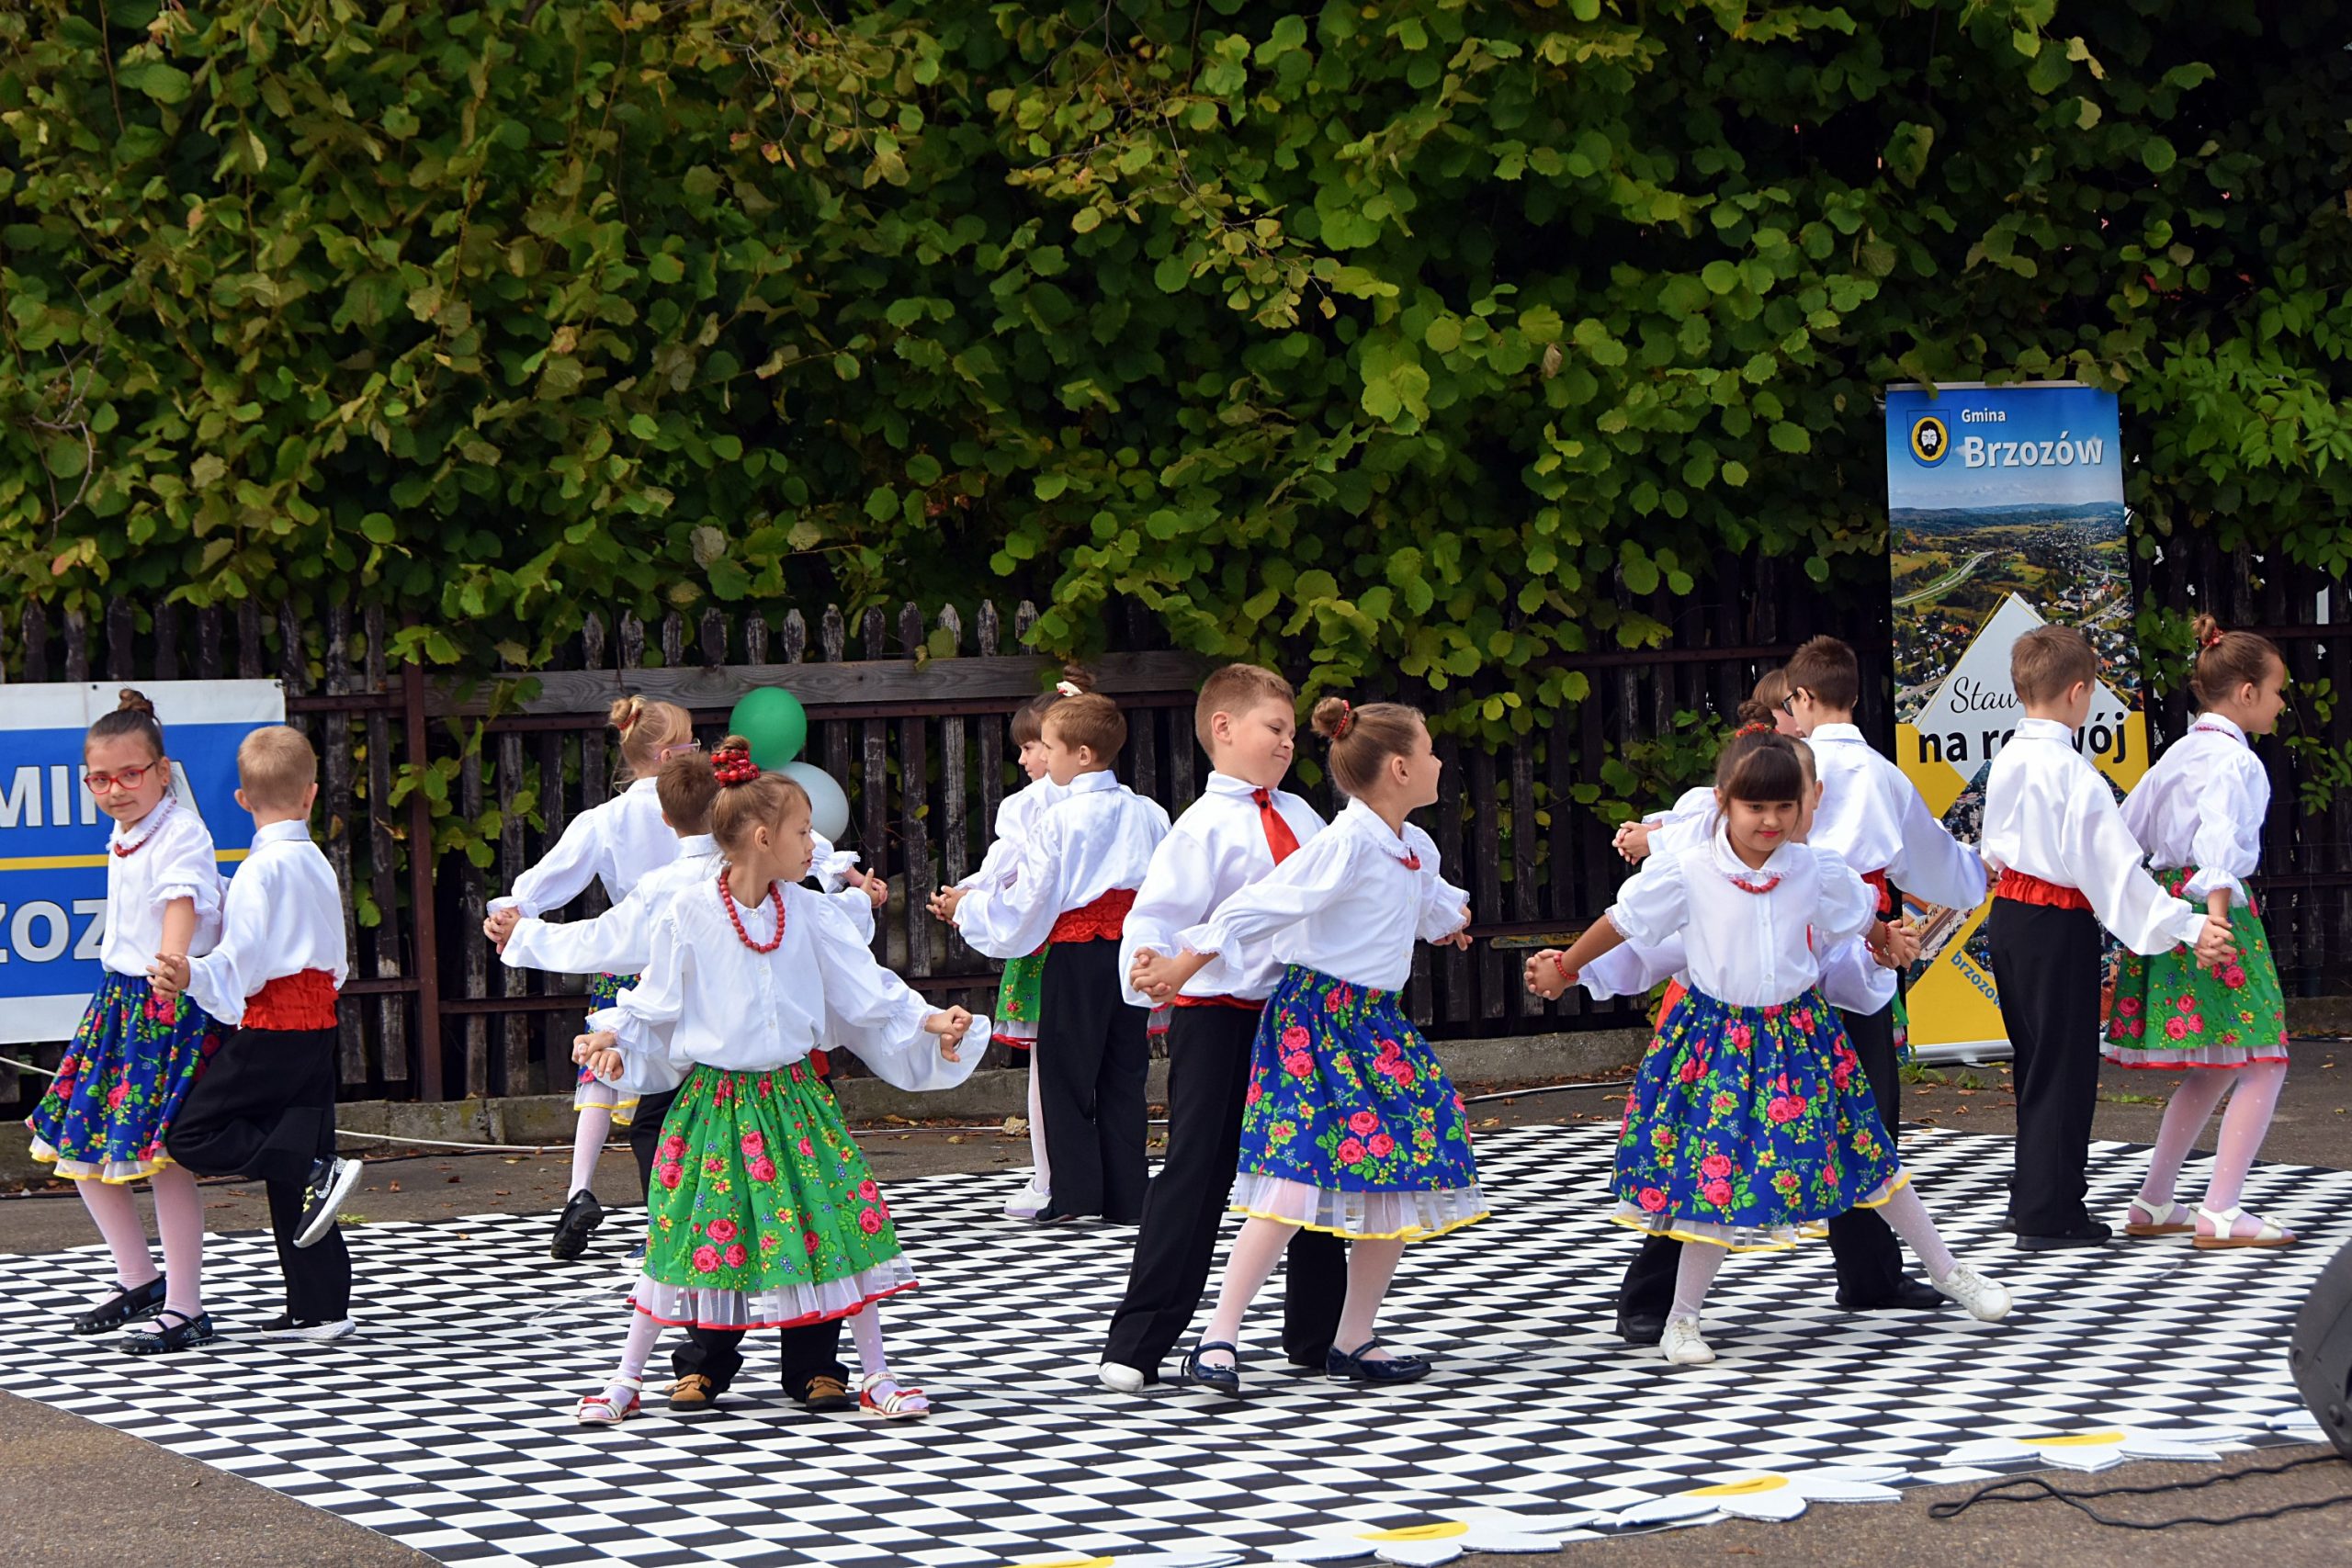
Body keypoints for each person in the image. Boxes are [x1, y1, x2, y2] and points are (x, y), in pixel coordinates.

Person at [1530, 732, 2009, 1365]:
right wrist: (1566, 967)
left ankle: (1948, 1269)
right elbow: (1623, 922)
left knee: (1867, 1151)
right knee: (1714, 1176)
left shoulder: (1811, 868)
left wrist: (1884, 938)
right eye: (1756, 807)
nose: (1771, 821)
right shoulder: (1689, 869)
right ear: (1723, 801)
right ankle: (1681, 1319)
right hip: (1719, 1044)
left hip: (1800, 1038)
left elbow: (1855, 913)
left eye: (1785, 806)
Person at [572, 740, 983, 1421]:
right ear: (763, 838)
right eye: (802, 832)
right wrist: (612, 1035)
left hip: (793, 1099)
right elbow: (657, 999)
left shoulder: (811, 913)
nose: (812, 846)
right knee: (694, 1231)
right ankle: (630, 1376)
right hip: (717, 1103)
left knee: (833, 1222)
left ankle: (872, 1373)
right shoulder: (690, 912)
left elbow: (866, 987)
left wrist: (931, 1019)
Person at [1148, 697, 1478, 1396]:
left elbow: (1426, 905)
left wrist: (1451, 919)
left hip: (1376, 1024)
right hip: (1316, 1021)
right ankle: (1219, 1335)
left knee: (1399, 1169)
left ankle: (1353, 1336)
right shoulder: (1345, 842)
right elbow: (1261, 904)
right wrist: (1182, 964)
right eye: (1429, 750)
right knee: (1296, 1174)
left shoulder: (1412, 847)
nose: (1439, 762)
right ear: (1399, 768)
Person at [1096, 664, 1347, 1393]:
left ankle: (1319, 1332)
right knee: (1198, 1168)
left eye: (1293, 732)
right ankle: (1140, 1338)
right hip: (1219, 1018)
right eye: (1275, 728)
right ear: (1224, 727)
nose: (1287, 743)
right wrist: (1150, 965)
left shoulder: (1305, 819)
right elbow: (1157, 911)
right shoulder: (1201, 826)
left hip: (1299, 1017)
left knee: (1312, 1166)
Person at [1981, 626, 2237, 1249]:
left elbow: (1996, 845)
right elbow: (2115, 875)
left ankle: (2033, 1195)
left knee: (2036, 1060)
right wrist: (2189, 925)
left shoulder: (2008, 756)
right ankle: (2049, 1212)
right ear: (2078, 692)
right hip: (2054, 923)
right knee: (2064, 1066)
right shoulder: (2073, 775)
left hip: (2010, 918)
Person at [1776, 635, 1990, 1313]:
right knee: (1867, 1118)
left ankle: (1658, 1292)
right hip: (1857, 952)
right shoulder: (1881, 775)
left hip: (1784, 955)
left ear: (1804, 697)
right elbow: (1934, 860)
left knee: (1737, 1123)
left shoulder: (1778, 769)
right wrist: (1979, 871)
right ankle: (1868, 1273)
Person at [27, 690, 225, 1353]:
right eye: (100, 779)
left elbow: (181, 902)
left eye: (130, 774)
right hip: (118, 999)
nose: (115, 790)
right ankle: (139, 1278)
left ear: (162, 771)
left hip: (164, 999)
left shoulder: (182, 831)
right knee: (75, 1138)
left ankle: (186, 1305)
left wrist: (170, 968)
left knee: (162, 1157)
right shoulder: (126, 831)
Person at [153, 726, 361, 1342]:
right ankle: (321, 1307)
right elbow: (337, 958)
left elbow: (241, 963)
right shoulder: (316, 862)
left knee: (192, 1133)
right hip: (319, 1022)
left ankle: (313, 1166)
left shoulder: (259, 870)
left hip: (274, 1024)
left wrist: (192, 973)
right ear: (312, 793)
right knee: (296, 1162)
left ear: (243, 800)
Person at [939, 684, 1169, 1224]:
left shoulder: (1059, 820)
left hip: (1076, 954)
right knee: (1124, 1071)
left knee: (1066, 1074)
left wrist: (973, 911)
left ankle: (1075, 1193)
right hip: (1132, 954)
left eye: (1049, 746)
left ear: (1081, 755)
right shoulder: (1148, 811)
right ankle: (1128, 1194)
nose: (1041, 757)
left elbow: (1032, 901)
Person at [2106, 617, 2295, 1247]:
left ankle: (2155, 1200)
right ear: (2247, 692)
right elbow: (2217, 839)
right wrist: (2214, 919)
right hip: (2213, 910)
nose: (2281, 703)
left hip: (2173, 908)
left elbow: (2125, 833)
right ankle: (2221, 1209)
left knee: (2217, 1063)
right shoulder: (2234, 761)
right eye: (2277, 691)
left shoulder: (2178, 753)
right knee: (2265, 1056)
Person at [487, 695, 695, 1259]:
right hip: (693, 955)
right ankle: (676, 1211)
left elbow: (549, 879)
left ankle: (579, 1188)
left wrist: (512, 913)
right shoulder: (705, 803)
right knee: (677, 1080)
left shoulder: (604, 819)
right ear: (669, 754)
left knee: (602, 1064)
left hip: (624, 955)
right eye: (692, 745)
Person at [933, 686, 1068, 1219]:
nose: (1025, 759)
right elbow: (1001, 869)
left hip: (1047, 939)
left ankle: (1053, 1178)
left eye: (1032, 747)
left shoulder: (1035, 806)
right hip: (1066, 942)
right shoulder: (1039, 805)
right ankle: (1053, 1174)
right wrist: (966, 896)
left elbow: (1014, 877)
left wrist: (968, 901)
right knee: (1058, 1063)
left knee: (1052, 1065)